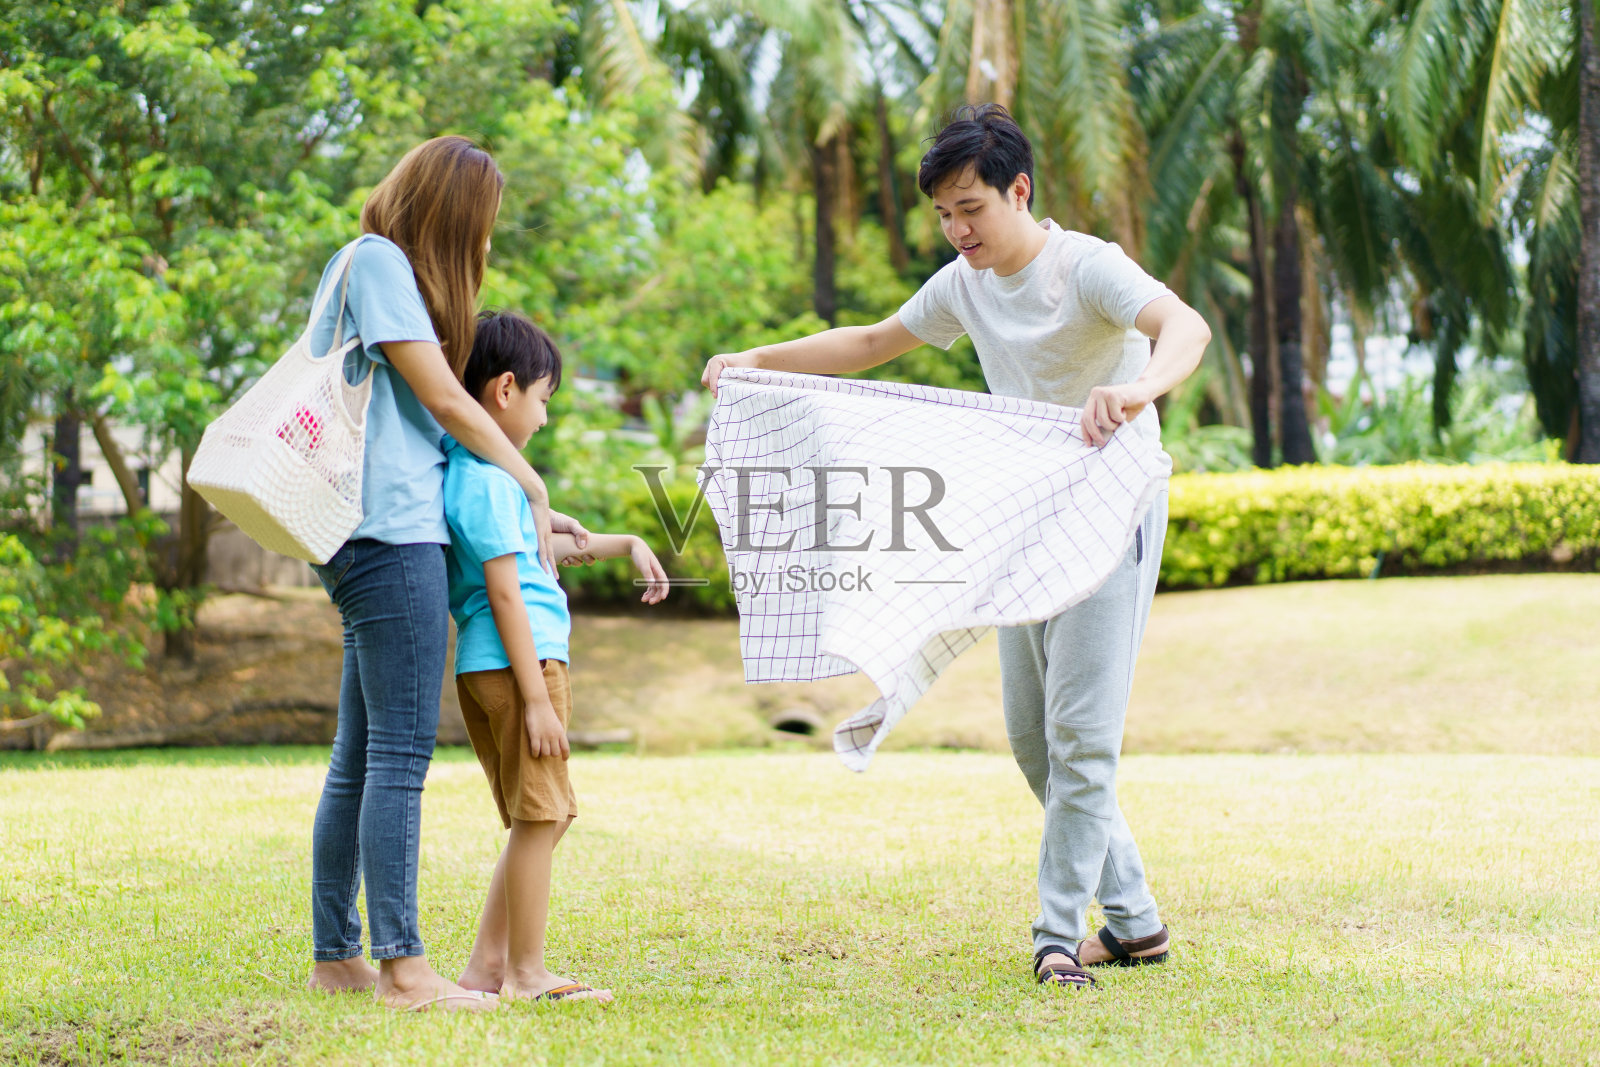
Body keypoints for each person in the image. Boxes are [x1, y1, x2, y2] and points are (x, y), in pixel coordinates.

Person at [700, 104, 1212, 990]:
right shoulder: (965, 283)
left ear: (1020, 190)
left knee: (1082, 734)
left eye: (970, 208)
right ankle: (1136, 924)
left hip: (1115, 499)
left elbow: (1187, 329)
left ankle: (1058, 937)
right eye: (943, 213)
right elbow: (870, 342)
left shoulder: (1085, 266)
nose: (956, 228)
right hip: (1024, 515)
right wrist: (756, 359)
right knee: (1032, 741)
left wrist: (1136, 392)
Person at [303, 136, 591, 1012]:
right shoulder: (381, 261)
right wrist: (529, 479)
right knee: (396, 752)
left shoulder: (357, 268)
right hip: (391, 536)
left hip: (359, 534)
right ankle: (403, 968)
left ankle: (337, 954)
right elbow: (442, 397)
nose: (487, 247)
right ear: (451, 216)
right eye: (484, 228)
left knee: (358, 752)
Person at [441, 311, 669, 1004]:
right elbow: (507, 595)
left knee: (542, 815)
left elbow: (539, 556)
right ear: (505, 389)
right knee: (540, 816)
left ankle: (487, 966)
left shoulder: (481, 475)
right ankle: (526, 972)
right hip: (520, 665)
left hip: (510, 664)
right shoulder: (486, 480)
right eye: (543, 399)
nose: (543, 418)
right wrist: (536, 696)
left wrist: (626, 541)